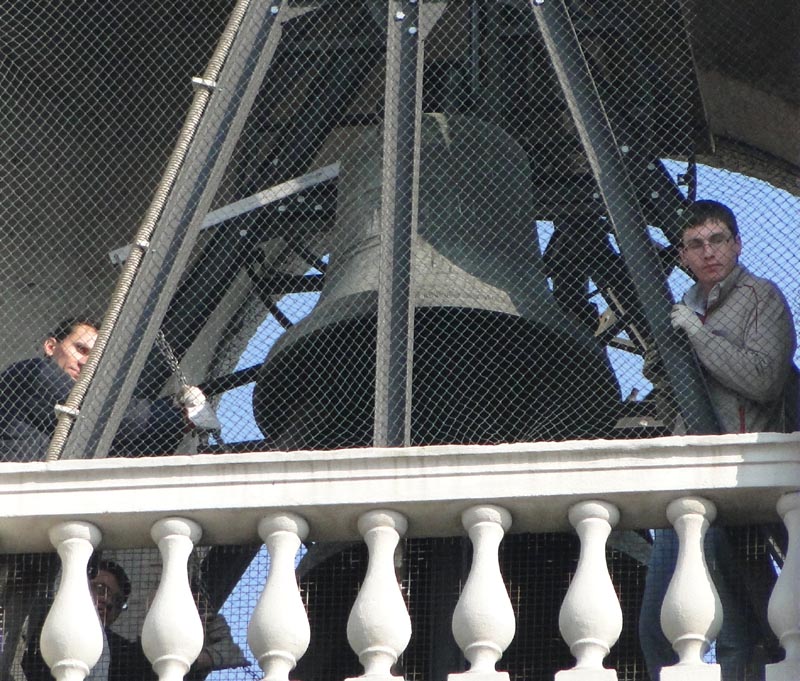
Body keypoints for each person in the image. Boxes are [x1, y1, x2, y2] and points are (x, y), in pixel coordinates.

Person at [639, 200, 797, 680]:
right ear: (683, 256)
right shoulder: (682, 309)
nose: (708, 252)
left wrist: (697, 335)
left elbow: (763, 379)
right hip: (686, 478)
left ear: (737, 244)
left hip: (739, 478)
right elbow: (670, 402)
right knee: (656, 624)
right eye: (695, 244)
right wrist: (662, 367)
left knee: (734, 628)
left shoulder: (761, 297)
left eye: (717, 240)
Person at [0, 317, 211, 462]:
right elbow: (106, 415)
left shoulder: (79, 423)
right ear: (51, 347)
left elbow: (131, 445)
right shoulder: (31, 372)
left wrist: (175, 416)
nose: (85, 363)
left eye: (95, 359)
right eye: (80, 349)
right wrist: (178, 414)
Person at [22, 558, 155, 681]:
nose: (108, 601)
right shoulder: (50, 628)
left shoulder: (122, 652)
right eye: (101, 589)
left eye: (117, 600)